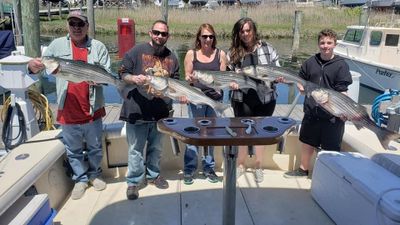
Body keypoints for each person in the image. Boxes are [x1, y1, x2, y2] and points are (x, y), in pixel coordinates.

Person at [28, 10, 111, 200]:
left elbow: (106, 71)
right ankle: (80, 179)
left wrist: (103, 80)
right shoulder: (56, 46)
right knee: (73, 150)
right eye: (72, 23)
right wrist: (31, 68)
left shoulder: (97, 46)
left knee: (95, 147)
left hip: (93, 108)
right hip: (67, 110)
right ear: (67, 25)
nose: (76, 28)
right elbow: (40, 68)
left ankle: (95, 175)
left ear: (87, 26)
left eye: (80, 24)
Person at [119, 20, 179, 200]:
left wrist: (177, 95)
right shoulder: (136, 52)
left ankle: (153, 175)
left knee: (157, 147)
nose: (160, 36)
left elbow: (175, 82)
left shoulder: (172, 57)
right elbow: (122, 73)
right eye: (156, 32)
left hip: (161, 111)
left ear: (168, 36)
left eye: (164, 34)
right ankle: (134, 181)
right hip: (136, 110)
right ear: (150, 33)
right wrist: (132, 78)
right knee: (135, 149)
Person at [284, 28, 352, 178]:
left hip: (332, 114)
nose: (325, 46)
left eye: (329, 43)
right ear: (318, 44)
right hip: (312, 111)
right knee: (307, 142)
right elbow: (301, 82)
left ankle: (329, 175)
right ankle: (303, 170)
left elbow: (343, 90)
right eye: (322, 43)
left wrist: (344, 110)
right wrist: (300, 87)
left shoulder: (341, 65)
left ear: (335, 44)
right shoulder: (310, 62)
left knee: (331, 148)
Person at [228, 17, 281, 183]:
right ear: (238, 33)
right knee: (242, 132)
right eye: (241, 31)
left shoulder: (268, 49)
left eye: (248, 30)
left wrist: (278, 77)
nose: (245, 34)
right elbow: (228, 75)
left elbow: (277, 69)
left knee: (260, 132)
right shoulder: (233, 52)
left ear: (254, 31)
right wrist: (232, 83)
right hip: (241, 98)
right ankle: (241, 164)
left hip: (266, 98)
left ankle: (258, 165)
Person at [182, 23, 227, 185]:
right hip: (196, 100)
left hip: (215, 100)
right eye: (204, 36)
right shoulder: (191, 54)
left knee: (211, 135)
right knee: (194, 134)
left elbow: (222, 78)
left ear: (214, 38)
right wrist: (190, 80)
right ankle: (189, 169)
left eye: (211, 36)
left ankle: (209, 168)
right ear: (199, 38)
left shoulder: (221, 54)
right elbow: (187, 76)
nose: (207, 39)